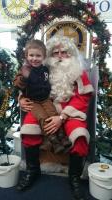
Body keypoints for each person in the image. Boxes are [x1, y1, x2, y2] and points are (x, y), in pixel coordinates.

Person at [17, 36, 94, 200]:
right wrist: (21, 99)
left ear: (71, 54)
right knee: (28, 128)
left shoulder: (78, 71)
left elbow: (83, 98)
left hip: (70, 111)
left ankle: (74, 178)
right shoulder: (41, 69)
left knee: (79, 135)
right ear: (48, 55)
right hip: (42, 106)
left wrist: (62, 116)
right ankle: (33, 170)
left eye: (64, 52)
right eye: (55, 52)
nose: (59, 56)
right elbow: (27, 86)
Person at [14, 39, 71, 154]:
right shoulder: (25, 70)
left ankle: (62, 137)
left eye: (38, 56)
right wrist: (23, 78)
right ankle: (54, 141)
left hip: (45, 99)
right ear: (26, 56)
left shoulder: (45, 69)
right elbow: (17, 84)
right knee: (42, 117)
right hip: (33, 101)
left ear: (44, 57)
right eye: (31, 55)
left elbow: (48, 82)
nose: (34, 58)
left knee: (53, 113)